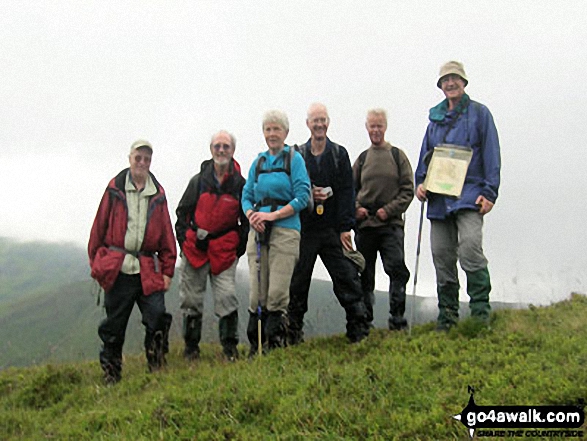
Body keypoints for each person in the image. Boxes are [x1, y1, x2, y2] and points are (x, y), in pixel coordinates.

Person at [415, 61, 500, 330]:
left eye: (455, 79)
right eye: (445, 80)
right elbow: (425, 159)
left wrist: (490, 192)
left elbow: (491, 153)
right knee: (441, 254)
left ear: (464, 82)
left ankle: (480, 316)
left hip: (471, 194)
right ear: (440, 86)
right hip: (439, 199)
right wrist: (420, 184)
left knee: (471, 248)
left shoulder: (480, 113)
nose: (450, 84)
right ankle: (447, 318)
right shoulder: (434, 122)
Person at [88, 140, 177, 384]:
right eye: (138, 157)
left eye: (146, 159)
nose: (142, 162)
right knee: (114, 325)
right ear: (130, 158)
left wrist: (168, 270)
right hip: (117, 269)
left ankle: (157, 366)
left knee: (157, 316)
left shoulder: (157, 194)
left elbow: (167, 234)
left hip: (148, 269)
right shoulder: (115, 189)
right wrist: (97, 263)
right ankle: (111, 374)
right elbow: (99, 227)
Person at [288, 103, 369, 344]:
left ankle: (358, 331)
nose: (319, 125)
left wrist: (346, 227)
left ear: (328, 123)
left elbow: (347, 192)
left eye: (323, 120)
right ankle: (293, 334)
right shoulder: (297, 155)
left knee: (346, 277)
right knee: (298, 283)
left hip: (333, 228)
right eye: (315, 120)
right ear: (307, 124)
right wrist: (309, 194)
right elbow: (291, 188)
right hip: (305, 229)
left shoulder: (339, 154)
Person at [175, 131, 248, 362]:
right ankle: (191, 350)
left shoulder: (240, 184)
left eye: (226, 146)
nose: (221, 150)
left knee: (227, 297)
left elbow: (246, 220)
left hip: (224, 252)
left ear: (233, 151)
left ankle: (230, 350)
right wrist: (186, 240)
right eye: (217, 146)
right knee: (191, 300)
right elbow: (182, 213)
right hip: (195, 249)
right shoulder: (198, 181)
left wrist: (238, 248)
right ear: (211, 149)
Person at [242, 110, 311, 355]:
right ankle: (255, 346)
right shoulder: (258, 162)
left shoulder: (294, 159)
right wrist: (252, 215)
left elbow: (303, 195)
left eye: (276, 129)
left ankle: (275, 346)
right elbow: (247, 195)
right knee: (256, 294)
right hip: (258, 232)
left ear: (286, 133)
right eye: (268, 129)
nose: (272, 134)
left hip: (285, 231)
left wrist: (273, 215)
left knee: (277, 293)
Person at [353, 109, 414, 330]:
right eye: (372, 126)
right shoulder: (362, 159)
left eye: (379, 125)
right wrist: (356, 209)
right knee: (364, 274)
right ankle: (364, 322)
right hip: (366, 225)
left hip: (391, 225)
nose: (375, 130)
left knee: (396, 270)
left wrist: (388, 210)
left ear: (385, 127)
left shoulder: (398, 156)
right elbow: (350, 191)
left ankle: (397, 320)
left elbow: (408, 190)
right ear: (366, 128)